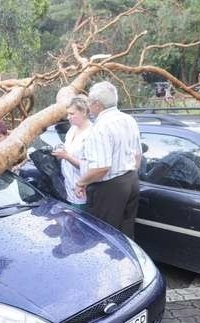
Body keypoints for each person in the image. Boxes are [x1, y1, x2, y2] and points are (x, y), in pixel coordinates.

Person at [75, 81, 142, 238]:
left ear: (97, 104)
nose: (89, 107)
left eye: (89, 103)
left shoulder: (101, 127)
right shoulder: (129, 119)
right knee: (126, 232)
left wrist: (81, 182)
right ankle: (126, 262)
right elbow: (138, 155)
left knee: (104, 237)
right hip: (131, 181)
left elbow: (101, 168)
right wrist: (129, 175)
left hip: (109, 187)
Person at [51, 95, 91, 208]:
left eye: (72, 114)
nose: (68, 117)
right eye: (68, 114)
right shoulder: (72, 130)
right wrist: (61, 151)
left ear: (83, 112)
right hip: (68, 187)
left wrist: (66, 156)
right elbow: (68, 149)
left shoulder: (91, 134)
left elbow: (88, 166)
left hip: (82, 191)